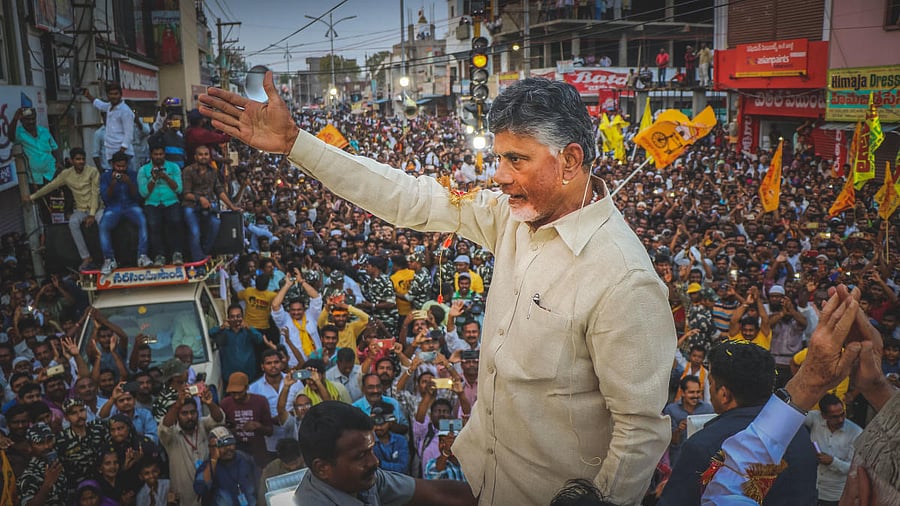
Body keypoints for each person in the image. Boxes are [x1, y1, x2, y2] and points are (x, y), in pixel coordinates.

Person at [201, 73, 675, 506]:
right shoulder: (512, 218)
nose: (500, 176)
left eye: (517, 160)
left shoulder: (622, 279)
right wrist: (297, 145)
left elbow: (640, 430)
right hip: (483, 480)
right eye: (498, 158)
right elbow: (411, 198)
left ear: (571, 160)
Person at [657, 340, 817, 505]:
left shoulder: (703, 446)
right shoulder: (798, 433)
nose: (709, 390)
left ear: (724, 394)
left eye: (711, 383)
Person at [292, 401, 476, 504]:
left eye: (370, 450)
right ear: (322, 468)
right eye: (360, 456)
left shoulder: (362, 478)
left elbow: (437, 492)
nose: (375, 462)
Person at [25, 147, 101, 271]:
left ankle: (109, 257)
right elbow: (50, 186)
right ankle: (86, 257)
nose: (81, 161)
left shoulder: (93, 171)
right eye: (78, 159)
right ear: (72, 160)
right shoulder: (66, 174)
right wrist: (32, 197)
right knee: (73, 222)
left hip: (97, 208)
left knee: (103, 221)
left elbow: (95, 193)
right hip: (80, 210)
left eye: (83, 159)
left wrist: (92, 214)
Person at [159, 385, 224, 506]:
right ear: (177, 416)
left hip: (210, 494)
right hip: (184, 497)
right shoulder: (171, 435)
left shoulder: (203, 424)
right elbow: (164, 428)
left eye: (193, 412)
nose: (189, 417)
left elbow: (219, 419)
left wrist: (210, 404)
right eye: (184, 413)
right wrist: (177, 405)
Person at [181, 144, 241, 261]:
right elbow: (186, 194)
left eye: (206, 154)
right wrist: (200, 199)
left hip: (209, 206)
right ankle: (198, 260)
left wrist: (232, 206)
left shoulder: (213, 171)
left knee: (215, 224)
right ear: (195, 157)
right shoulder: (188, 171)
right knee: (195, 232)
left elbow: (219, 191)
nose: (203, 157)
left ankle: (204, 252)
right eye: (200, 154)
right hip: (191, 206)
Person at [804, 393, 862, 505]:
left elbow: (855, 469)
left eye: (842, 414)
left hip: (835, 495)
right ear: (823, 416)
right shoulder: (815, 419)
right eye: (834, 416)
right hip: (812, 490)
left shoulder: (856, 432)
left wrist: (832, 462)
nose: (840, 420)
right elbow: (796, 413)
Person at [99, 151, 151, 274]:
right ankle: (109, 259)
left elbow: (138, 197)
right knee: (103, 225)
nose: (121, 169)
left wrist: (129, 183)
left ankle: (142, 255)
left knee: (143, 220)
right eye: (118, 166)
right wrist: (112, 183)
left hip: (130, 205)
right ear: (113, 165)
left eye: (123, 166)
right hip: (113, 207)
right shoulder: (105, 177)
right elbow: (106, 198)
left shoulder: (133, 175)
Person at [138, 142, 186, 266]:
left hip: (171, 201)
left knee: (175, 220)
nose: (158, 157)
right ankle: (159, 256)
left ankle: (177, 253)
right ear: (151, 155)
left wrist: (166, 177)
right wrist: (153, 179)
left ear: (164, 154)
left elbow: (179, 189)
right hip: (152, 203)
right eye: (156, 154)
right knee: (154, 224)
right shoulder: (143, 170)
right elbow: (143, 193)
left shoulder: (173, 167)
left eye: (161, 154)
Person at [219, 371, 274, 469]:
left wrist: (258, 426)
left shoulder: (260, 401)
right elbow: (220, 429)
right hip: (235, 453)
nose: (236, 396)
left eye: (239, 392)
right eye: (233, 393)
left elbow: (270, 431)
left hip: (258, 452)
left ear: (247, 388)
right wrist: (233, 430)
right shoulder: (225, 404)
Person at [194, 426, 260, 506]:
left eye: (230, 443)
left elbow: (258, 485)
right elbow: (200, 489)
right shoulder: (207, 466)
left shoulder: (245, 459)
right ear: (212, 448)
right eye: (222, 445)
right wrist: (213, 459)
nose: (228, 448)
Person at [663, 375, 714, 464]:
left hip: (701, 458)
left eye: (698, 392)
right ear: (682, 392)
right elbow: (670, 442)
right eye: (691, 392)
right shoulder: (671, 410)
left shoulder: (708, 409)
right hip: (678, 459)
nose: (695, 396)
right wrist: (679, 430)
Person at [210, 304, 268, 382]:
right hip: (230, 376)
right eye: (232, 317)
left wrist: (248, 328)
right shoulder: (224, 332)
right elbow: (209, 333)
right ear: (228, 318)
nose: (235, 319)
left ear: (242, 317)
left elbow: (259, 339)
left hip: (248, 374)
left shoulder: (248, 331)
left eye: (238, 316)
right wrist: (221, 327)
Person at [85, 82, 135, 169]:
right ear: (107, 95)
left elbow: (129, 134)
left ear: (120, 94)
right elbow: (99, 105)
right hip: (111, 154)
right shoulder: (109, 107)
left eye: (116, 94)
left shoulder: (125, 111)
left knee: (126, 180)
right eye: (111, 94)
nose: (113, 96)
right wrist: (88, 96)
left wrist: (121, 153)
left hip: (123, 154)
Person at [9, 106, 63, 186]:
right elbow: (11, 136)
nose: (31, 121)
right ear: (21, 120)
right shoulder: (19, 133)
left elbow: (54, 148)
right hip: (35, 179)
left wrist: (58, 162)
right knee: (39, 198)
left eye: (33, 119)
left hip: (52, 172)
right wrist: (15, 119)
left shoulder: (44, 131)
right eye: (28, 119)